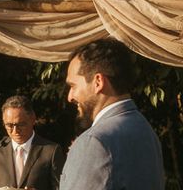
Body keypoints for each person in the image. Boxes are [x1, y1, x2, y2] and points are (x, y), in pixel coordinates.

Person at [60, 38, 165, 189]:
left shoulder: (95, 141)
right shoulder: (145, 130)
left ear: (98, 82)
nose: (70, 96)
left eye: (73, 86)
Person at [0, 95, 65, 190]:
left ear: (33, 119)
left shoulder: (51, 151)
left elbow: (62, 187)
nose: (15, 130)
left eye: (21, 124)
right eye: (9, 125)